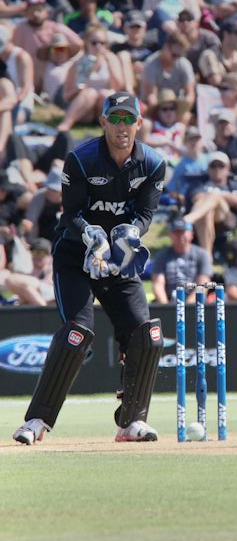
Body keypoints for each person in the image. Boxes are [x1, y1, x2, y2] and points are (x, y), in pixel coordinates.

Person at [13, 91, 166, 445]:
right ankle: (36, 421)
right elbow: (70, 214)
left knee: (146, 333)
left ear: (140, 124)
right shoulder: (80, 160)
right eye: (116, 119)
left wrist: (132, 232)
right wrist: (90, 234)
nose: (122, 126)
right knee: (77, 333)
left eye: (130, 119)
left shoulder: (154, 163)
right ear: (103, 123)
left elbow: (144, 215)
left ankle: (132, 422)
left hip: (118, 259)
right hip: (75, 257)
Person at [183, 150, 237, 257]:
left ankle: (188, 219)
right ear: (208, 168)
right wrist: (217, 197)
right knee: (207, 212)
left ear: (228, 169)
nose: (217, 169)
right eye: (213, 166)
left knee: (214, 196)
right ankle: (207, 257)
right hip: (205, 215)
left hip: (226, 218)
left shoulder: (233, 184)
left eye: (221, 165)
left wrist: (217, 196)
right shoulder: (201, 182)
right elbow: (196, 197)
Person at [151, 218, 213, 304]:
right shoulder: (162, 256)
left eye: (183, 232)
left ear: (191, 234)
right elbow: (158, 284)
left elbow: (203, 284)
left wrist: (186, 307)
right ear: (170, 235)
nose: (180, 236)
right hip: (169, 301)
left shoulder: (202, 255)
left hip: (196, 303)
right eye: (176, 232)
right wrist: (166, 308)